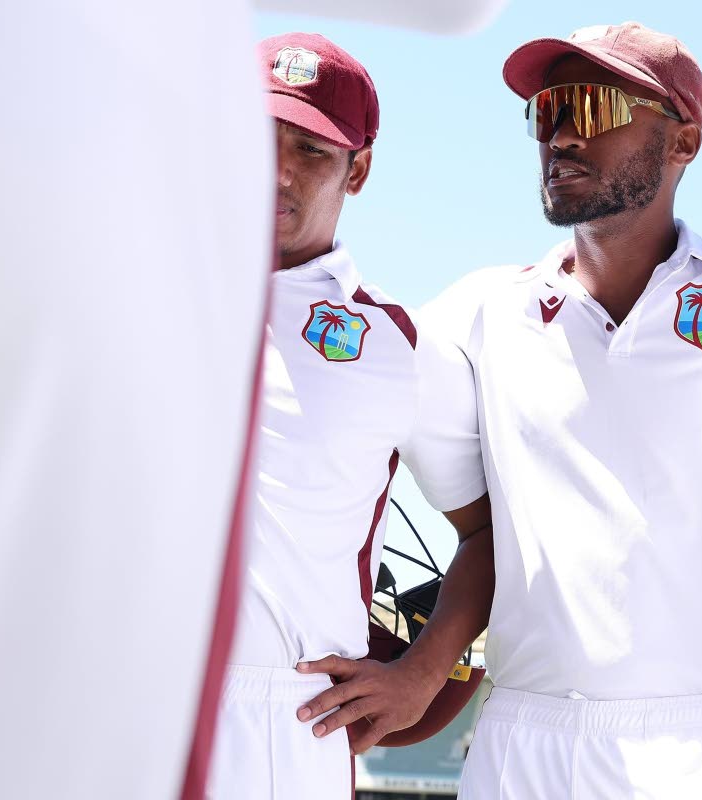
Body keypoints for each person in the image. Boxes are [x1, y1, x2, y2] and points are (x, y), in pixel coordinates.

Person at [359, 21, 702, 799]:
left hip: (691, 744)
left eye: (593, 109)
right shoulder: (478, 313)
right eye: (548, 112)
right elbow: (468, 520)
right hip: (517, 738)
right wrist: (418, 670)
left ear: (683, 142)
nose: (562, 136)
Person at [207, 32, 493, 800]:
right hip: (122, 692)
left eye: (310, 149)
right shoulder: (138, 293)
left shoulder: (398, 345)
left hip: (287, 720)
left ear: (357, 170)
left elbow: (488, 531)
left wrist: (421, 674)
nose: (278, 170)